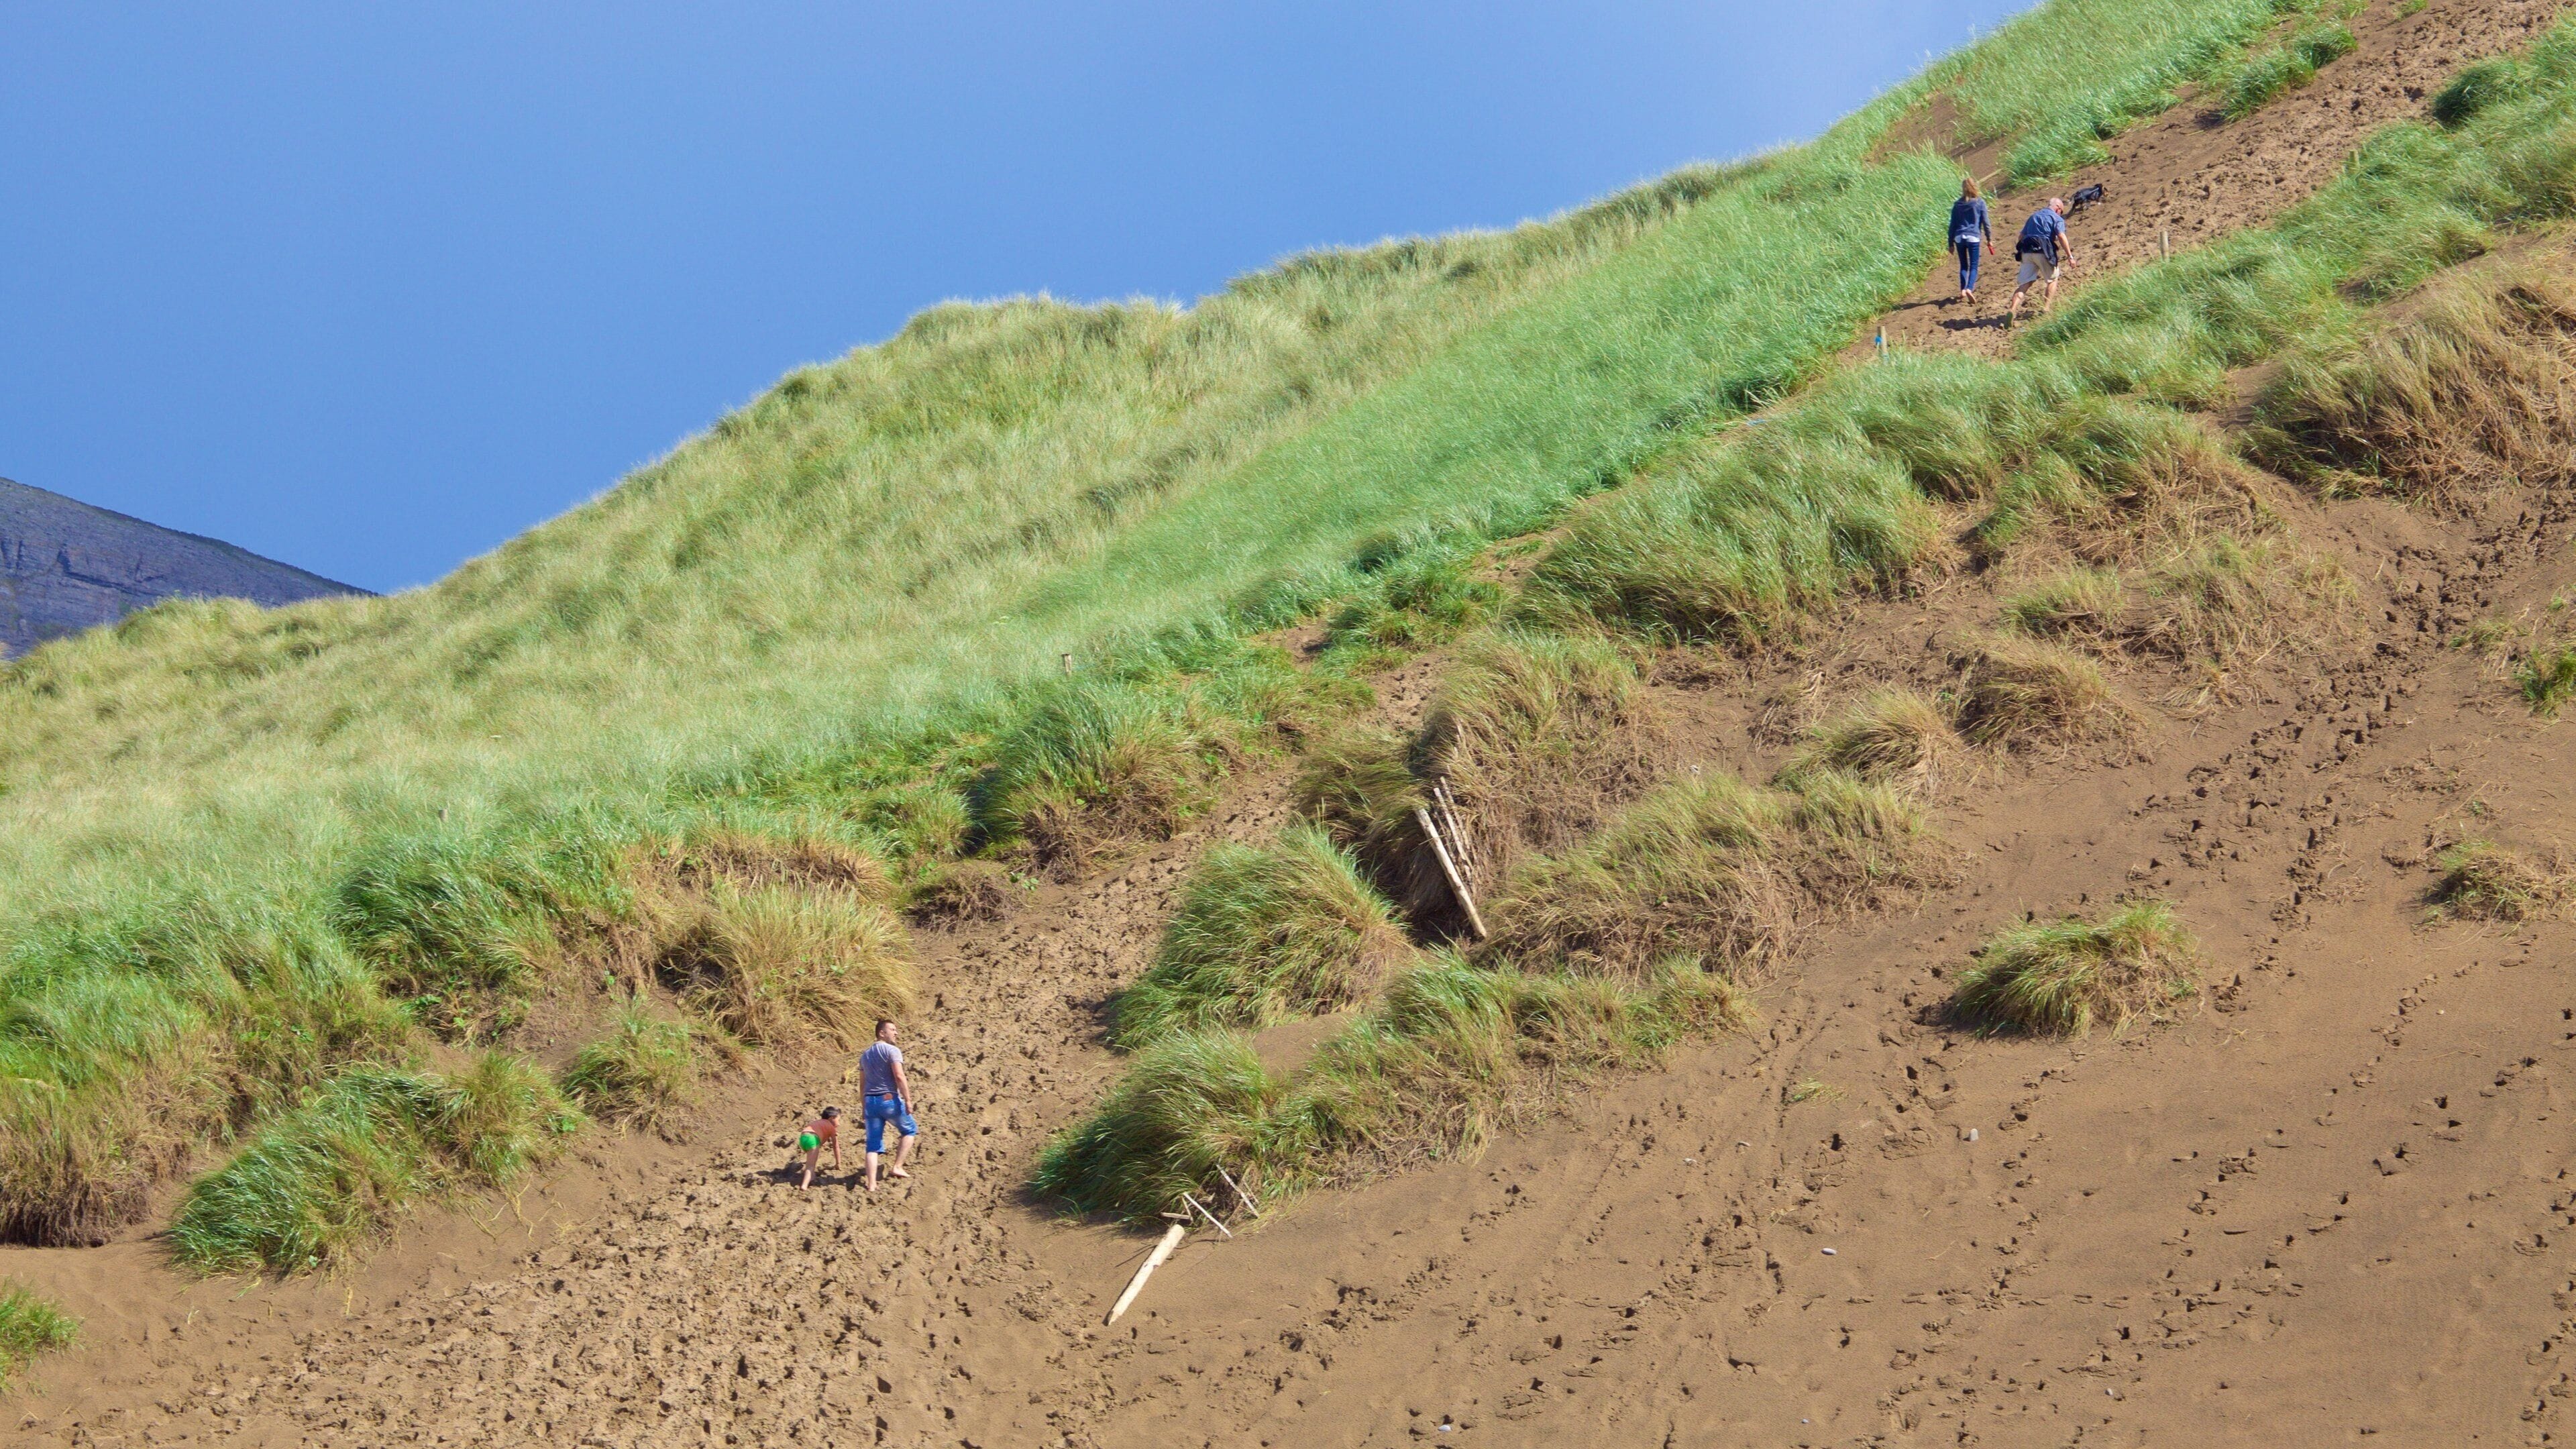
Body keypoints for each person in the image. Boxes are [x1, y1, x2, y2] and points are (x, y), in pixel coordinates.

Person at [858, 1018, 918, 1191]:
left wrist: (864, 1107)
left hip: (870, 1101)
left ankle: (871, 1184)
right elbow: (899, 1076)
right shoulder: (892, 1051)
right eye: (892, 1029)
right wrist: (907, 1099)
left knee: (872, 1145)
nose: (896, 1033)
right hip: (888, 1099)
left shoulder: (865, 1055)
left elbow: (862, 1085)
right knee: (909, 1130)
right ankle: (897, 1166)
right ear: (881, 1033)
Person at [2010, 197, 2076, 325]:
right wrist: (2070, 256)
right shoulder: (2057, 218)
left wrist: (2021, 251)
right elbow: (2061, 236)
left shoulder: (2033, 217)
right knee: (2052, 279)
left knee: (2025, 284)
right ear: (2058, 209)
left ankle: (2012, 310)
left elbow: (2021, 237)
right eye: (2061, 211)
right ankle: (2046, 309)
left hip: (2027, 250)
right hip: (2043, 250)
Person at [1949, 176, 1993, 303]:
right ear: (1975, 187)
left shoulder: (1957, 205)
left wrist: (1950, 243)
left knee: (1963, 265)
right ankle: (1969, 288)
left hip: (1959, 237)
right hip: (1973, 236)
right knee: (1974, 266)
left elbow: (1953, 225)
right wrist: (1989, 239)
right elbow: (1986, 223)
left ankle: (1963, 289)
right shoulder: (1980, 203)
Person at [794, 1106, 842, 1189]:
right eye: (838, 1120)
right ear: (831, 1118)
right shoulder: (831, 1127)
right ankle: (804, 1186)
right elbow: (836, 1146)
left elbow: (820, 1136)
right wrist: (838, 1163)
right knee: (810, 1167)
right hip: (813, 1140)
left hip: (803, 1138)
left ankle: (812, 1178)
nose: (839, 1123)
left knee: (811, 1162)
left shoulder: (818, 1122)